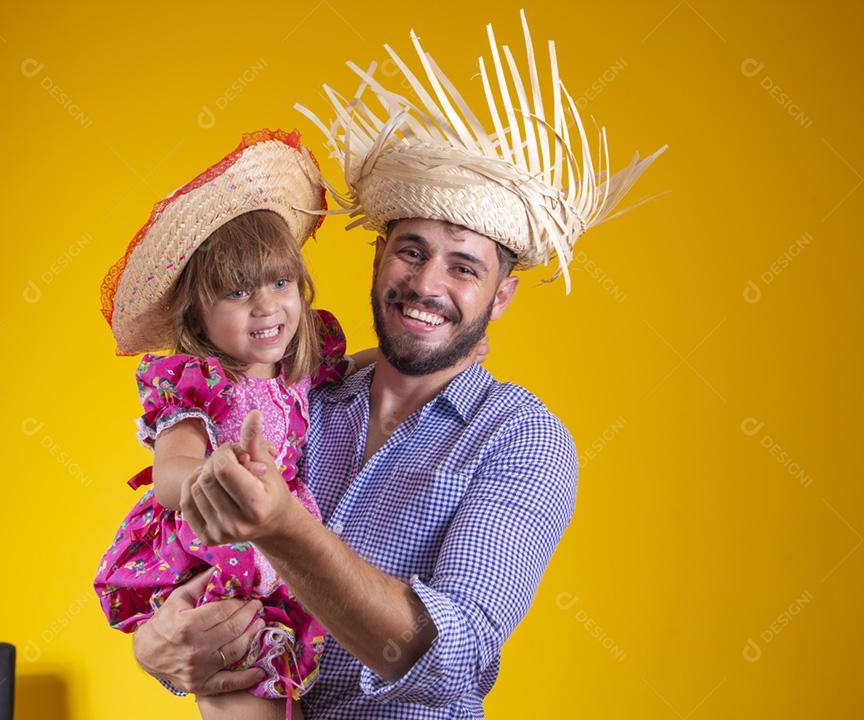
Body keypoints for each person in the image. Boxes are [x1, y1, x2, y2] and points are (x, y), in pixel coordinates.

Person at [131, 12, 666, 719]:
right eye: (411, 251)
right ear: (378, 256)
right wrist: (159, 647)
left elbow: (456, 662)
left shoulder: (521, 439)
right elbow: (196, 564)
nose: (426, 286)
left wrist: (287, 528)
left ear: (501, 296)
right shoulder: (295, 392)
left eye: (464, 267)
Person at [93, 129, 377, 720]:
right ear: (197, 309)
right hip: (217, 549)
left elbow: (348, 369)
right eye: (238, 292)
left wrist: (394, 358)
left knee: (282, 691)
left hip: (277, 547)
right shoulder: (197, 381)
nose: (267, 305)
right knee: (240, 684)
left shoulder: (295, 367)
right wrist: (215, 475)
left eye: (280, 283)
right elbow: (170, 470)